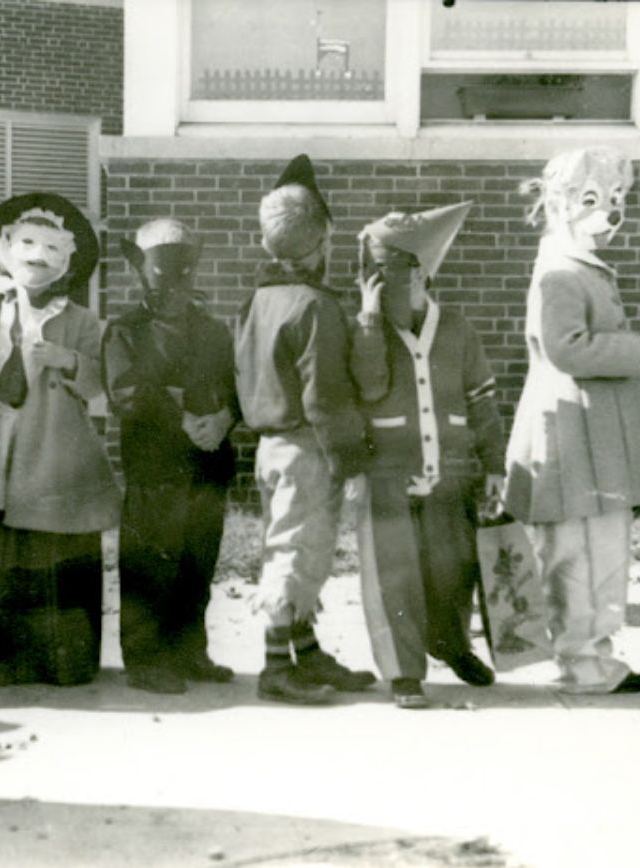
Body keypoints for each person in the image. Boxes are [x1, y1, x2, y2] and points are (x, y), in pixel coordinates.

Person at [0, 192, 121, 688]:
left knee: (45, 551)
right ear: (6, 250)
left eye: (51, 248)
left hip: (51, 449)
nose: (37, 256)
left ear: (68, 261)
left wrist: (69, 361)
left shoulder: (82, 321)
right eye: (27, 244)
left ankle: (52, 658)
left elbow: (101, 385)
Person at [505, 147, 640, 695]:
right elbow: (567, 350)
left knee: (600, 553)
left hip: (588, 439)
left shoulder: (576, 267)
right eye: (594, 200)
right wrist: (638, 347)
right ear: (563, 204)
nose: (611, 213)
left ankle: (595, 656)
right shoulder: (560, 275)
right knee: (575, 553)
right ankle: (582, 660)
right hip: (570, 438)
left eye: (616, 199)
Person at [235, 154, 382, 705]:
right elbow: (326, 398)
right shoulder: (317, 306)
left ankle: (307, 648)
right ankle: (276, 666)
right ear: (320, 243)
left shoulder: (258, 300)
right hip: (305, 448)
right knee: (298, 555)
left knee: (290, 548)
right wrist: (351, 462)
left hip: (270, 447)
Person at [351, 202, 506, 709]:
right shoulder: (365, 329)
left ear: (420, 274)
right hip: (387, 474)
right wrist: (370, 323)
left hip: (453, 471)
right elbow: (370, 388)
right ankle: (403, 672)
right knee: (393, 573)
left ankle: (452, 643)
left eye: (391, 273)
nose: (380, 284)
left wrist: (495, 465)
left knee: (452, 567)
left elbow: (483, 405)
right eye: (372, 274)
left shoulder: (457, 329)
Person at [103, 218, 238, 695]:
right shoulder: (126, 330)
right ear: (141, 271)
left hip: (207, 464)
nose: (174, 280)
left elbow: (237, 387)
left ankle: (188, 651)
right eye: (163, 269)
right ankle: (145, 659)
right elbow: (127, 392)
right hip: (154, 467)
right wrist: (181, 417)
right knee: (150, 566)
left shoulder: (214, 331)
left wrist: (224, 419)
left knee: (196, 564)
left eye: (184, 268)